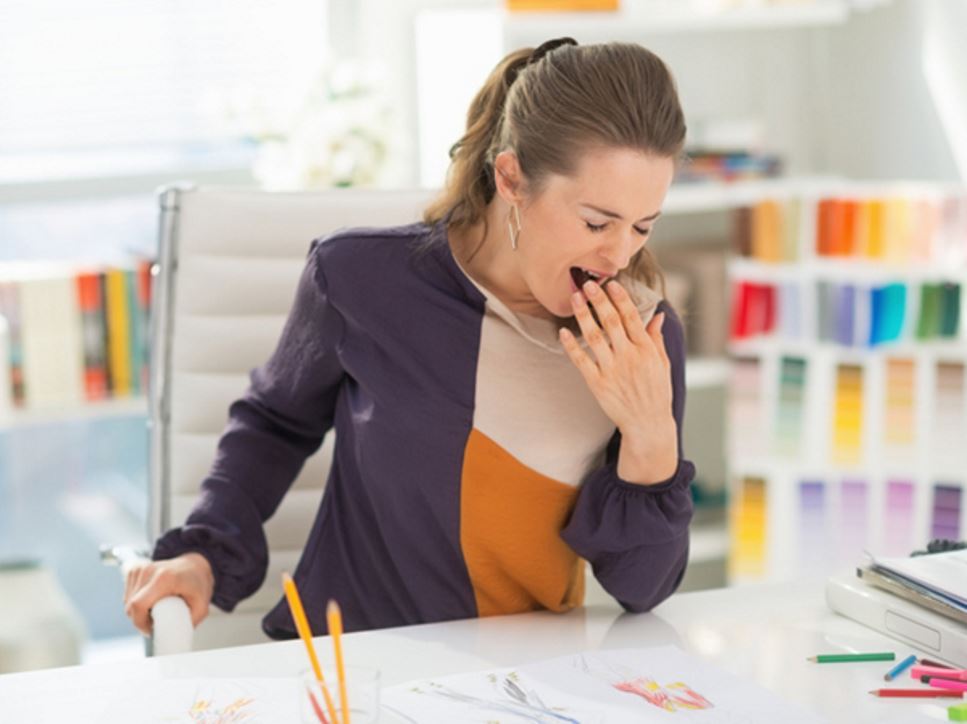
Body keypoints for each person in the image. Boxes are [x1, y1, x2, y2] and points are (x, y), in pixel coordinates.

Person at [124, 37, 696, 639]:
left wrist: (651, 435)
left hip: (523, 687)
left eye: (642, 226)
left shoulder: (644, 340)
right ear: (511, 178)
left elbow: (643, 589)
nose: (619, 254)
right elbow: (274, 423)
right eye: (596, 222)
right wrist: (204, 552)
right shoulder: (359, 278)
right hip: (353, 671)